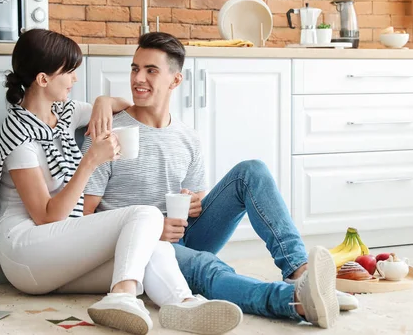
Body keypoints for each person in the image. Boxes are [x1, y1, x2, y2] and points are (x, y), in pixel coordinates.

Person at [82, 32, 359, 329]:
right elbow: (86, 219)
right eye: (135, 68)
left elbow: (199, 204)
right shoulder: (108, 133)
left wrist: (190, 203)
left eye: (151, 70)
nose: (138, 78)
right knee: (206, 267)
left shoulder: (188, 138)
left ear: (175, 80)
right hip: (141, 246)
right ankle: (295, 301)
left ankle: (300, 272)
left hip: (185, 236)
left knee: (252, 170)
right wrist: (150, 229)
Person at [0, 29, 243, 335]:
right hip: (26, 249)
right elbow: (47, 216)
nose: (75, 80)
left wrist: (103, 100)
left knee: (156, 248)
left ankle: (182, 305)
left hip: (58, 250)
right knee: (147, 214)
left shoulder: (64, 113)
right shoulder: (18, 135)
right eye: (69, 72)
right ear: (43, 80)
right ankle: (122, 295)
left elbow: (123, 108)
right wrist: (91, 161)